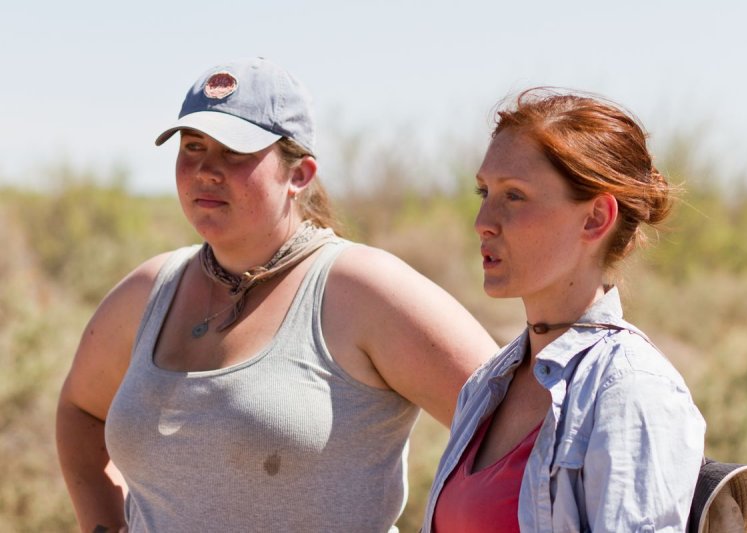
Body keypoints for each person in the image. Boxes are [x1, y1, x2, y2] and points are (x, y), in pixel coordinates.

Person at [55, 57, 498, 533]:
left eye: (234, 152)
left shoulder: (364, 290)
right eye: (193, 146)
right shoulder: (149, 291)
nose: (206, 169)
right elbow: (81, 411)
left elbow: (518, 436)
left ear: (300, 174)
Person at [422, 89, 706, 532]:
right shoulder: (486, 385)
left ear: (595, 218)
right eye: (485, 191)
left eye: (514, 196)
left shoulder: (631, 390)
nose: (483, 221)